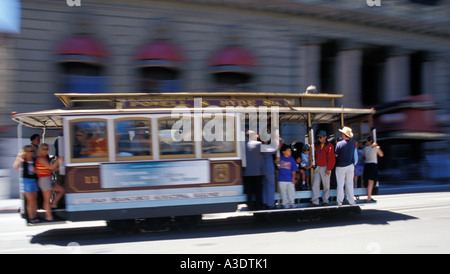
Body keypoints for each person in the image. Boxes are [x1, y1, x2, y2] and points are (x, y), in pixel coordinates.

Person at [35, 143, 64, 221]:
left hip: (48, 179)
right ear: (40, 150)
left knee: (61, 190)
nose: (46, 151)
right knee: (47, 200)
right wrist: (58, 160)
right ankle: (48, 216)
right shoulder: (40, 158)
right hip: (44, 180)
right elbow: (50, 167)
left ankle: (54, 204)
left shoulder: (44, 158)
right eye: (44, 149)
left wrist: (58, 168)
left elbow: (50, 169)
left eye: (47, 149)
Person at [13, 145, 40, 223]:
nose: (31, 152)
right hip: (26, 181)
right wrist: (18, 158)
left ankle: (35, 216)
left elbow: (37, 171)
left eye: (32, 151)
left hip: (33, 180)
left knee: (34, 200)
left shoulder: (34, 160)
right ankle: (31, 217)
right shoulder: (22, 160)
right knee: (30, 200)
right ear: (25, 152)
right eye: (29, 151)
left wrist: (34, 170)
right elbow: (15, 167)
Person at [309, 130, 335, 207]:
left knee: (326, 185)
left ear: (325, 137)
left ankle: (325, 200)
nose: (319, 139)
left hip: (325, 167)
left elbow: (331, 159)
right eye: (318, 137)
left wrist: (328, 169)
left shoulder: (330, 146)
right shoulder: (317, 145)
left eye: (320, 137)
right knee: (315, 184)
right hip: (318, 166)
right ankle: (315, 201)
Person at [335, 126, 358, 206]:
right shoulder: (352, 144)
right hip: (350, 166)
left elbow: (336, 155)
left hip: (340, 166)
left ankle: (340, 201)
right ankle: (351, 201)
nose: (341, 134)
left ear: (345, 135)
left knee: (340, 184)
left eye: (342, 133)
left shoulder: (339, 144)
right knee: (349, 184)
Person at [243, 131, 265, 210]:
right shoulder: (259, 145)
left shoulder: (244, 145)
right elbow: (271, 150)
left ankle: (250, 205)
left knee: (249, 191)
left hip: (247, 172)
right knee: (258, 191)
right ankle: (258, 205)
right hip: (257, 172)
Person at [363, 136, 384, 202]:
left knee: (367, 182)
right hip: (373, 165)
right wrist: (377, 147)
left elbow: (363, 155)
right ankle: (369, 197)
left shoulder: (365, 148)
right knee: (371, 182)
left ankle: (369, 196)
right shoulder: (375, 148)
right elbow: (381, 154)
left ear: (368, 141)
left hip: (367, 165)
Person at [278, 144, 298, 208]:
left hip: (290, 178)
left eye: (290, 150)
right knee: (283, 192)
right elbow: (276, 164)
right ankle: (285, 203)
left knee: (291, 191)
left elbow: (294, 170)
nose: (290, 151)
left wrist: (293, 178)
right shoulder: (280, 158)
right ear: (283, 152)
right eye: (288, 150)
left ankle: (292, 202)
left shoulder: (291, 159)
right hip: (282, 179)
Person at [261, 141, 278, 209]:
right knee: (271, 186)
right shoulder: (264, 147)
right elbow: (275, 149)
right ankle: (270, 204)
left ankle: (265, 202)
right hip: (269, 169)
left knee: (265, 186)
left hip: (263, 169)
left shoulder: (260, 146)